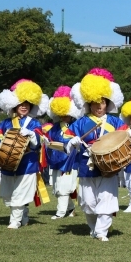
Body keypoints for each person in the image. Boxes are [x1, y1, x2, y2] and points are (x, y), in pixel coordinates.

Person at [64, 68, 129, 242]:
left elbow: (127, 138)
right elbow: (65, 138)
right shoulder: (81, 122)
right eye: (95, 102)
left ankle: (102, 231)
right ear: (89, 104)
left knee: (106, 200)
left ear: (108, 103)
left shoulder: (116, 122)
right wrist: (72, 141)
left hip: (109, 167)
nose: (99, 106)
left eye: (102, 102)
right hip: (86, 167)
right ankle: (94, 228)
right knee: (88, 203)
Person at [0, 79, 49, 229]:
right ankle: (23, 212)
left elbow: (38, 142)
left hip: (27, 163)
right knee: (10, 193)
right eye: (21, 103)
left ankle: (14, 221)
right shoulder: (5, 123)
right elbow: (0, 141)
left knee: (20, 192)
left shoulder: (34, 123)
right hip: (8, 163)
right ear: (14, 105)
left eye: (27, 103)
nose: (24, 106)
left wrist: (31, 134)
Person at [45, 85, 84, 220]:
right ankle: (71, 208)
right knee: (57, 188)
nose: (63, 116)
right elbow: (48, 140)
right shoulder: (54, 127)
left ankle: (60, 213)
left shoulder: (76, 126)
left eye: (66, 113)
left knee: (64, 188)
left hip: (69, 162)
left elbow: (80, 144)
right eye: (61, 113)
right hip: (56, 160)